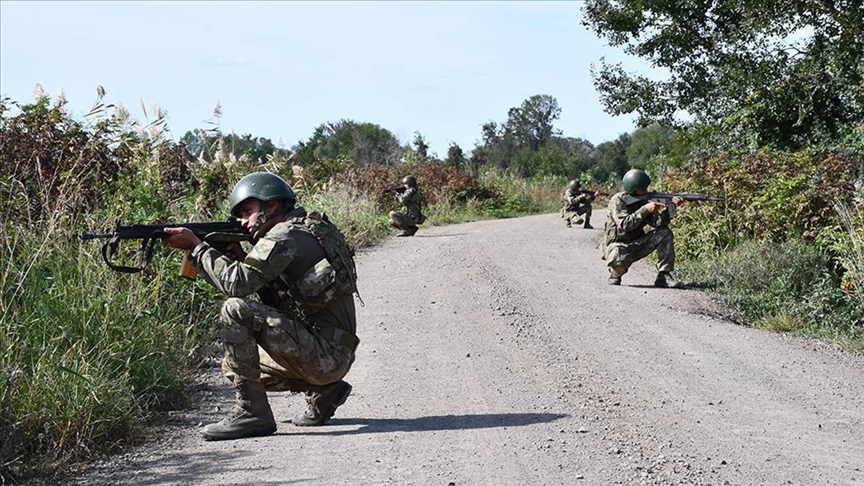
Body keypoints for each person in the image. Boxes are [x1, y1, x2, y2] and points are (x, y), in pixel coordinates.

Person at [162, 172, 359, 441]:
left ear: (272, 205)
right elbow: (281, 300)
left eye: (247, 211)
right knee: (232, 365)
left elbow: (238, 285)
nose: (243, 222)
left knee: (234, 309)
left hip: (325, 356)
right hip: (331, 353)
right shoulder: (305, 229)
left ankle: (252, 414)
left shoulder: (283, 235)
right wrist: (240, 257)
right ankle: (326, 391)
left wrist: (197, 248)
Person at [602, 168, 685, 288]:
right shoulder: (618, 200)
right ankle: (615, 273)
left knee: (665, 232)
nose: (646, 191)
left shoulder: (644, 200)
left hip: (637, 243)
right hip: (617, 245)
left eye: (646, 188)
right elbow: (625, 225)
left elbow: (657, 223)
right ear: (633, 189)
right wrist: (645, 209)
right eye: (642, 189)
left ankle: (664, 275)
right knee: (619, 257)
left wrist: (670, 209)